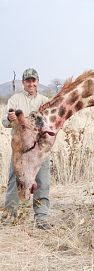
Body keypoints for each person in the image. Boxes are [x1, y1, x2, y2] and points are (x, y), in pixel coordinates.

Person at [1, 68, 52, 230]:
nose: (31, 83)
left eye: (33, 80)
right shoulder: (15, 100)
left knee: (43, 183)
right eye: (27, 80)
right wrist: (10, 119)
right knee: (15, 182)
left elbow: (50, 124)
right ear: (23, 82)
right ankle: (10, 215)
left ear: (37, 81)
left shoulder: (45, 100)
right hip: (21, 152)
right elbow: (4, 122)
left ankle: (41, 218)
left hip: (40, 151)